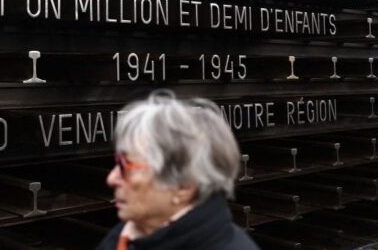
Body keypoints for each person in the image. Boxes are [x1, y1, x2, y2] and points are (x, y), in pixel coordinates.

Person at [96, 90, 259, 250]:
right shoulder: (123, 238)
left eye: (127, 166)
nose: (111, 178)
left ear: (183, 186)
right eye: (118, 162)